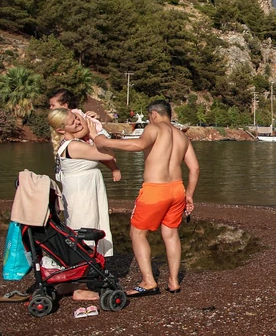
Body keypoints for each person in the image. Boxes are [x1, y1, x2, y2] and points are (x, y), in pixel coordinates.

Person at [94, 99, 199, 296]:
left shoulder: (154, 127)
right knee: (170, 234)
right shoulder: (182, 136)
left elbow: (137, 144)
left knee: (137, 233)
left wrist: (104, 142)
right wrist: (189, 195)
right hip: (177, 189)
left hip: (155, 190)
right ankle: (174, 282)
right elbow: (194, 168)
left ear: (154, 114)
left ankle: (149, 281)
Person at [47, 108, 121, 300]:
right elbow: (109, 155)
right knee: (84, 234)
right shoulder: (74, 146)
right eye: (73, 122)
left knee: (80, 232)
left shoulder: (71, 143)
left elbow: (99, 149)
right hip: (82, 196)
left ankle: (70, 282)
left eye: (77, 119)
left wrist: (89, 125)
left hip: (82, 192)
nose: (78, 123)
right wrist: (95, 133)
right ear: (62, 129)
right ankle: (80, 287)